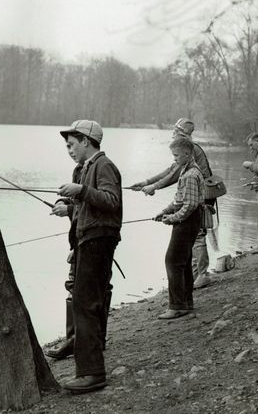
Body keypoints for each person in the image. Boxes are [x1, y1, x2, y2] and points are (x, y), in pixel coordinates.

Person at [52, 120, 122, 394]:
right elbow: (88, 205)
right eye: (66, 146)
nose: (69, 150)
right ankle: (89, 369)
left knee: (85, 304)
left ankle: (92, 373)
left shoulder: (103, 165)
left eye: (72, 144)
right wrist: (67, 204)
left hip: (99, 240)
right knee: (83, 302)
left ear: (86, 141)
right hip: (87, 240)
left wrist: (80, 191)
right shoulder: (85, 168)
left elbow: (111, 201)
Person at [129, 118, 219, 289]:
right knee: (194, 236)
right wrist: (146, 182)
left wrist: (153, 187)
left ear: (182, 133)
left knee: (198, 234)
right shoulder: (184, 150)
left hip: (203, 196)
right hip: (199, 193)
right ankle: (196, 274)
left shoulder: (189, 149)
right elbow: (171, 169)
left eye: (175, 130)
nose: (173, 133)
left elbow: (173, 175)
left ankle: (202, 275)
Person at [152, 135, 205, 319]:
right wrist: (164, 212)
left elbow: (190, 205)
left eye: (176, 155)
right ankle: (186, 303)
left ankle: (177, 306)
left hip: (188, 222)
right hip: (188, 220)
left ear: (187, 154)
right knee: (183, 261)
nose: (174, 159)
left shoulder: (190, 175)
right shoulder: (186, 170)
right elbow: (179, 200)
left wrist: (172, 218)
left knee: (172, 261)